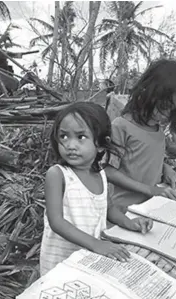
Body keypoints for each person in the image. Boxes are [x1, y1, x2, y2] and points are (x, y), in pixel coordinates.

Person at [40, 102, 153, 277]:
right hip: (60, 264)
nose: (70, 145)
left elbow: (109, 210)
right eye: (63, 136)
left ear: (101, 144)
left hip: (90, 260)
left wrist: (130, 223)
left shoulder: (101, 174)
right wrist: (96, 244)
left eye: (81, 137)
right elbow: (57, 222)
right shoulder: (58, 175)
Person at [105, 58, 176, 226]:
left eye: (172, 110)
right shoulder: (121, 126)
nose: (166, 115)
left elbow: (150, 158)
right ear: (147, 93)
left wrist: (168, 171)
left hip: (152, 210)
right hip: (124, 214)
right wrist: (151, 190)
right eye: (163, 106)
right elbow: (109, 171)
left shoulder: (158, 131)